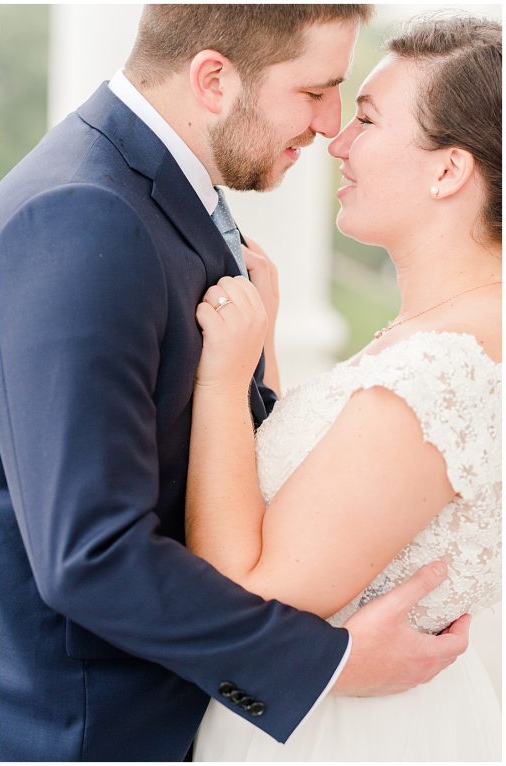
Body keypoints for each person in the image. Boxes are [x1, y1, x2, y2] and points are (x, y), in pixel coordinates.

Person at [0, 5, 470, 761]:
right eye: (315, 90)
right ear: (214, 80)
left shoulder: (177, 201)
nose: (329, 125)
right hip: (99, 731)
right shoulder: (83, 213)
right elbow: (90, 553)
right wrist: (327, 664)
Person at [188, 14, 501, 760]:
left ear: (448, 170)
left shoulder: (444, 369)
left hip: (341, 734)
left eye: (365, 118)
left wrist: (222, 382)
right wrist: (265, 349)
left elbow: (248, 594)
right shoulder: (447, 332)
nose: (337, 141)